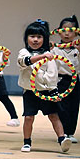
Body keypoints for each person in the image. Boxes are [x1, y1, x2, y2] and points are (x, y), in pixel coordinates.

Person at [17, 19, 72, 152]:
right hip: (30, 91)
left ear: (45, 38)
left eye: (39, 37)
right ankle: (27, 142)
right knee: (29, 117)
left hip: (47, 91)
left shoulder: (50, 55)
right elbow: (25, 62)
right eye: (32, 36)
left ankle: (62, 139)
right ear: (27, 38)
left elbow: (52, 74)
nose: (35, 40)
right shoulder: (24, 52)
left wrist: (54, 91)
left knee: (54, 116)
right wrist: (43, 56)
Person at [51, 15, 80, 143]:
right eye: (64, 30)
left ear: (76, 32)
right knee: (61, 107)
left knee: (73, 107)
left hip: (74, 80)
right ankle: (62, 133)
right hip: (60, 81)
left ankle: (70, 132)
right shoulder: (54, 49)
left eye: (71, 30)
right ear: (58, 31)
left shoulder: (78, 49)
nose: (67, 34)